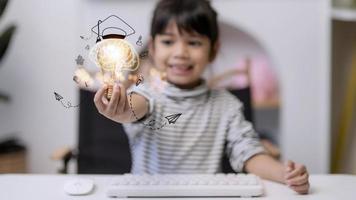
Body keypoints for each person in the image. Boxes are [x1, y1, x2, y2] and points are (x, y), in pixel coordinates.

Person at [94, 0, 309, 194]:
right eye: (168, 42)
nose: (180, 52)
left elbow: (250, 154)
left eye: (194, 42)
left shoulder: (227, 106)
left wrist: (284, 174)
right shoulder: (148, 94)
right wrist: (119, 107)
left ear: (213, 50)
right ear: (153, 48)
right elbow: (134, 108)